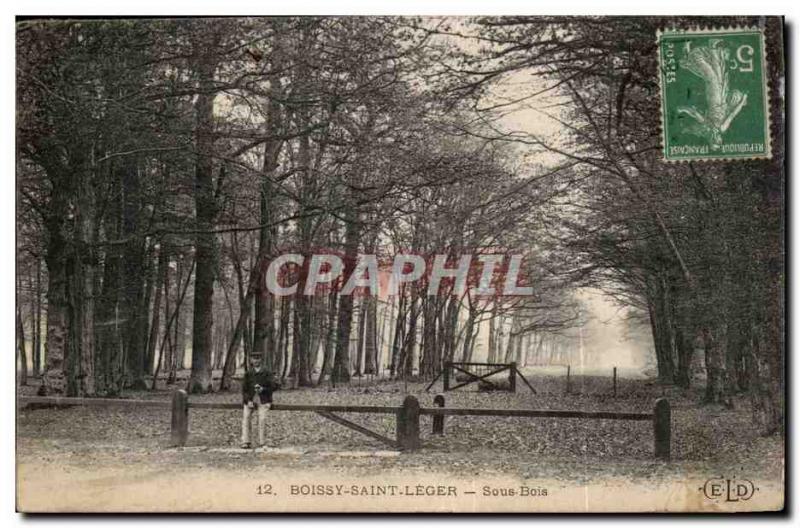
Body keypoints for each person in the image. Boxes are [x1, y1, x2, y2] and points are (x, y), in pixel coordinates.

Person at [241, 355, 281, 449]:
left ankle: (262, 442)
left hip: (264, 400)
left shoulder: (267, 373)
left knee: (262, 419)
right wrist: (248, 400)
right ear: (251, 360)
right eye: (254, 359)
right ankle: (246, 441)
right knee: (246, 418)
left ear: (261, 360)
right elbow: (244, 390)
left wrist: (263, 389)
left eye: (258, 359)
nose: (256, 361)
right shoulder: (248, 373)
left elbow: (274, 386)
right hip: (250, 400)